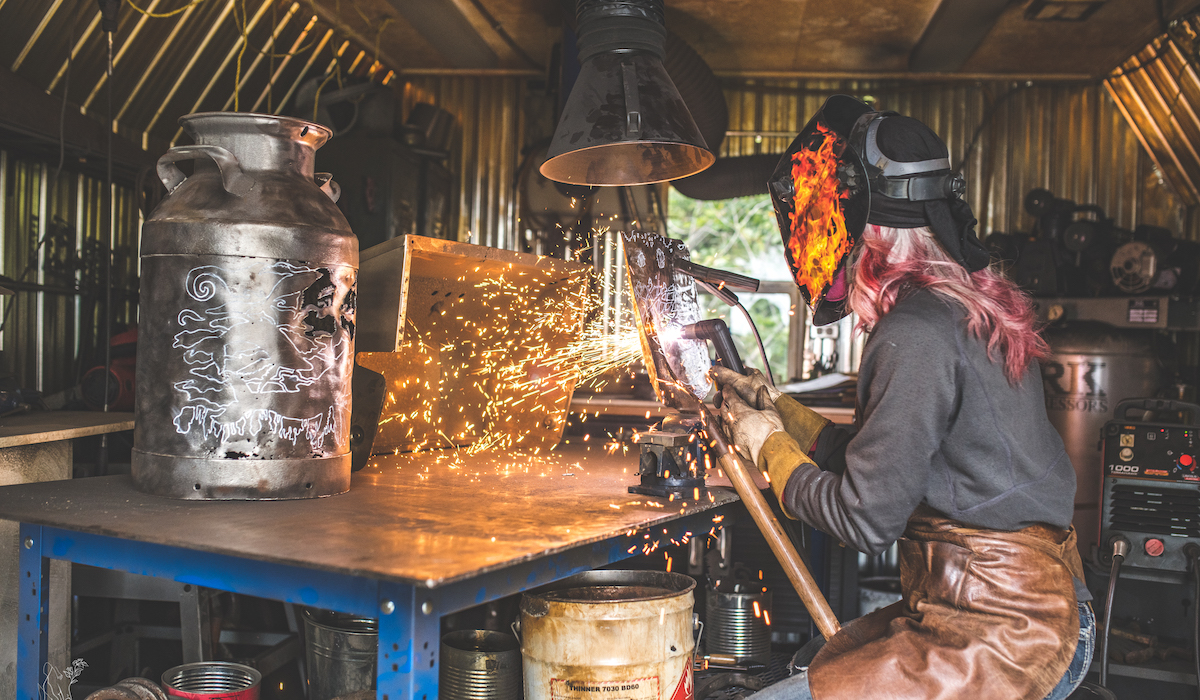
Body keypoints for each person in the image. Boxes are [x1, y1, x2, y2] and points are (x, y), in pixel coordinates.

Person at [713, 95, 1094, 700]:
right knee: (809, 666)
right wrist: (778, 409)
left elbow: (863, 519)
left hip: (1007, 633)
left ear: (863, 227)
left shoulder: (914, 332)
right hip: (1017, 606)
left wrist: (770, 452)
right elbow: (887, 462)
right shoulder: (959, 308)